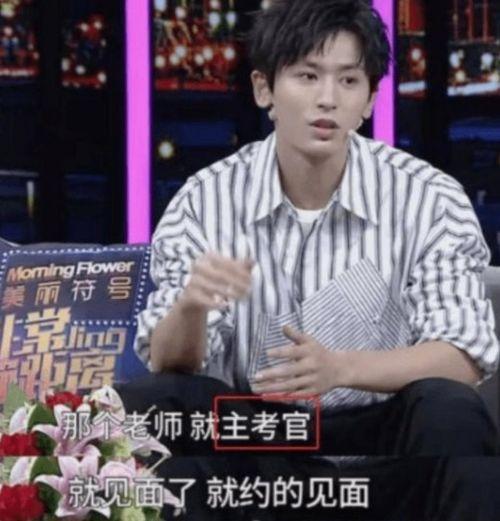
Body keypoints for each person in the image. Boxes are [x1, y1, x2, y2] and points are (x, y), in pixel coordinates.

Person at [123, 0, 500, 519]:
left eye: (348, 80)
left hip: (378, 447)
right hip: (254, 447)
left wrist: (342, 368)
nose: (327, 99)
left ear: (369, 99)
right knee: (155, 404)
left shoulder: (428, 197)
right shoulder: (205, 199)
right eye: (307, 76)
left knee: (450, 409)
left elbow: (463, 354)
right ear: (264, 89)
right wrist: (190, 307)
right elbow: (169, 366)